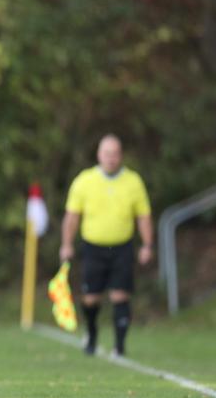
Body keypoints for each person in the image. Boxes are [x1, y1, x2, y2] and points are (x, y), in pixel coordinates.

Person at [59, 134, 153, 357]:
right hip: (93, 248)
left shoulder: (133, 182)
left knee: (120, 295)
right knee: (91, 298)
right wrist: (66, 244)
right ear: (99, 155)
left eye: (115, 154)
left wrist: (147, 245)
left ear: (121, 156)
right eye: (107, 153)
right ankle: (91, 334)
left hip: (122, 247)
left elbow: (144, 217)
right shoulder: (84, 180)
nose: (111, 158)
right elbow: (72, 216)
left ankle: (119, 347)